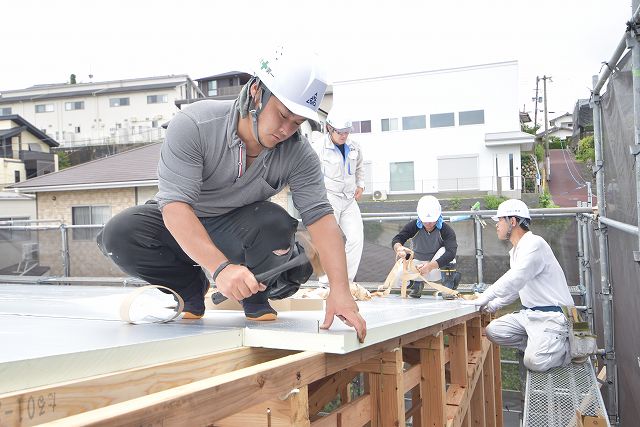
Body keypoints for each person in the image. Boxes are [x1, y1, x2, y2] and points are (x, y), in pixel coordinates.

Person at [97, 46, 366, 342]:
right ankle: (189, 287)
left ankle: (256, 296)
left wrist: (340, 292)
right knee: (120, 234)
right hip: (185, 219)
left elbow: (321, 219)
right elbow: (174, 206)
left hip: (238, 228)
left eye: (297, 123)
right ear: (255, 92)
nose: (286, 130)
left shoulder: (299, 155)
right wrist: (220, 269)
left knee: (274, 222)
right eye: (283, 115)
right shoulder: (195, 125)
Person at [462, 199, 574, 372]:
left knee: (534, 363)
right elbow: (518, 287)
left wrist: (484, 297)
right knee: (494, 331)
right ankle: (539, 344)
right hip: (529, 315)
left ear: (512, 221)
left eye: (500, 220)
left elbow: (515, 278)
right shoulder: (517, 251)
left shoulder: (535, 244)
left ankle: (566, 348)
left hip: (552, 316)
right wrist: (493, 305)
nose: (497, 225)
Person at [311, 109, 365, 285]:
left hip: (349, 199)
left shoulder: (355, 146)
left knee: (356, 239)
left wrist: (360, 185)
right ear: (329, 128)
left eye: (346, 132)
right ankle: (326, 279)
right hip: (329, 197)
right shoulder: (318, 148)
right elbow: (309, 173)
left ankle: (345, 281)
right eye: (340, 132)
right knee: (329, 240)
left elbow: (359, 167)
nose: (343, 136)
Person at [391, 195, 459, 298]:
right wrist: (399, 248)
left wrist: (430, 266)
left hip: (436, 267)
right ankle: (416, 286)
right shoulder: (413, 226)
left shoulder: (445, 230)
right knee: (397, 277)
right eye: (425, 220)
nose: (429, 223)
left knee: (447, 253)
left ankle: (448, 288)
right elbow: (398, 239)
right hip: (418, 266)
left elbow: (451, 252)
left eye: (432, 220)